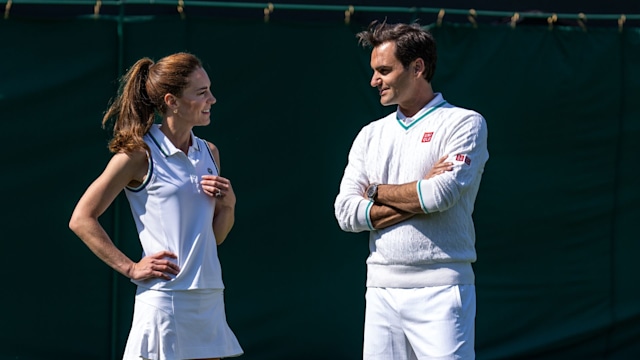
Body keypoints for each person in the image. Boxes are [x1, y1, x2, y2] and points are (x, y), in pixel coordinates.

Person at [69, 52, 243, 360]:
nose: (212, 99)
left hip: (209, 297)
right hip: (164, 302)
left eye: (210, 90)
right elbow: (82, 218)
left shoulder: (210, 153)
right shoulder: (138, 156)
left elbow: (214, 238)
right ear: (172, 101)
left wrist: (228, 206)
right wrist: (131, 268)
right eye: (202, 93)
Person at [334, 21, 489, 360]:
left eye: (384, 70)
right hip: (380, 290)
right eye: (374, 71)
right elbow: (346, 213)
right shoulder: (369, 134)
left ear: (417, 67)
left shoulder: (465, 123)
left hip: (443, 289)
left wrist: (373, 192)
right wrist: (415, 194)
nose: (374, 80)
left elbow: (440, 196)